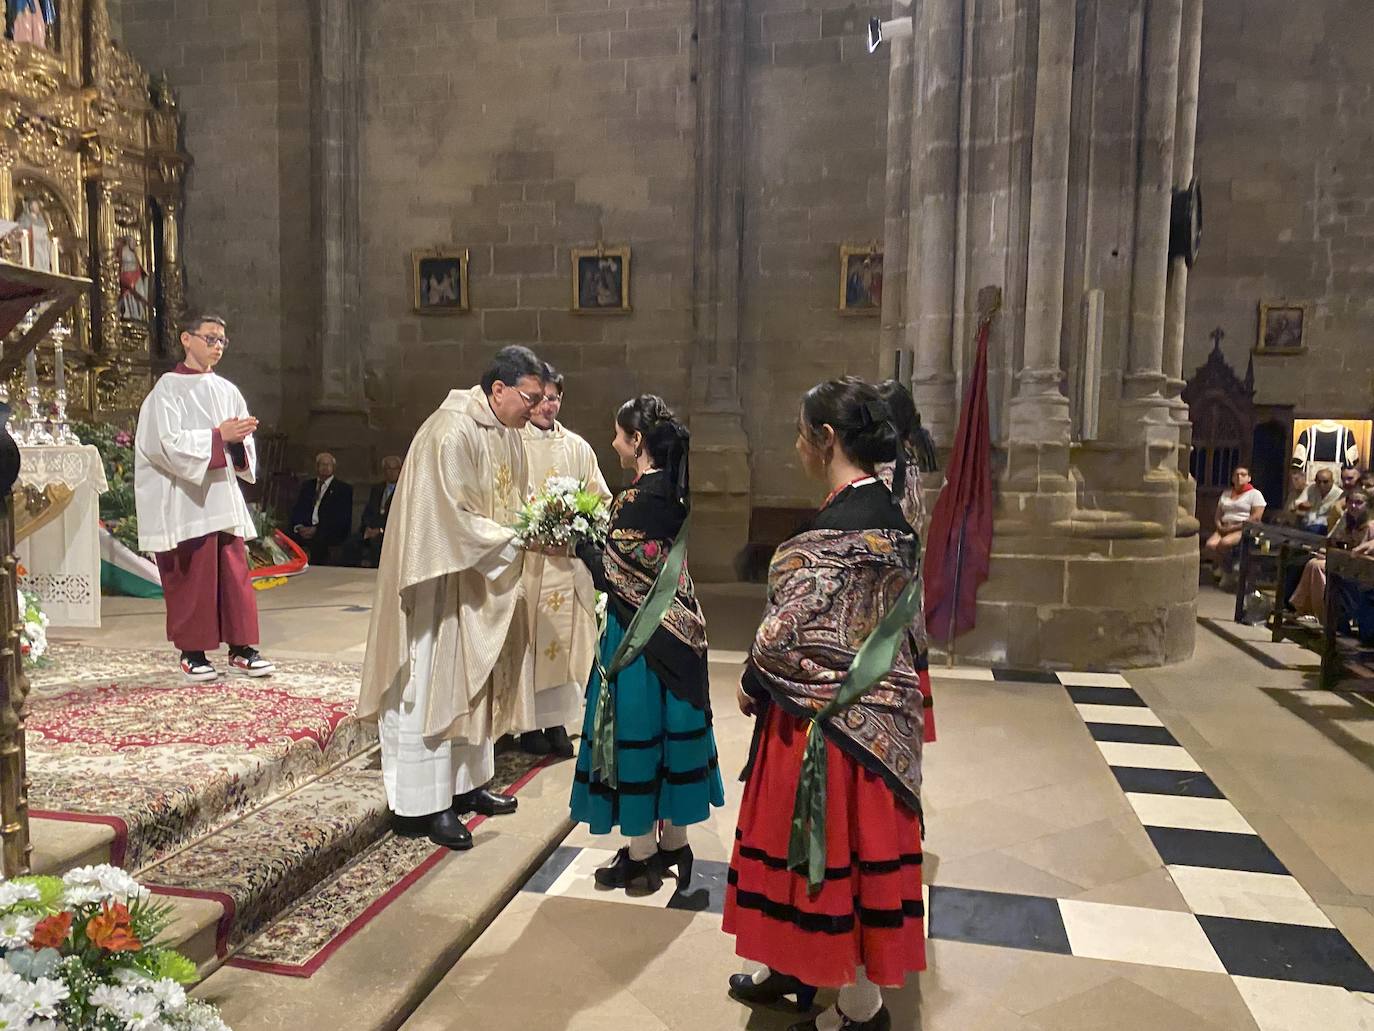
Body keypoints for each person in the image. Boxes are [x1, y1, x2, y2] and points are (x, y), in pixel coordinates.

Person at [724, 378, 926, 1031]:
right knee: (859, 864)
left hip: (820, 732)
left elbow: (785, 636)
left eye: (802, 432)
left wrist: (753, 679)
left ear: (828, 439)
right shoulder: (895, 519)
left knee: (823, 859)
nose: (797, 444)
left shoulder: (822, 535)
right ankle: (802, 970)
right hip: (882, 724)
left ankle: (858, 1009)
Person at [357, 346, 546, 850]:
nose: (533, 408)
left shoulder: (507, 433)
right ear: (498, 389)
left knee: (471, 683)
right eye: (528, 398)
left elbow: (513, 501)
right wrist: (514, 538)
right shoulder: (451, 430)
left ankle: (466, 786)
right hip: (438, 583)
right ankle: (426, 804)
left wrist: (531, 523)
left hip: (476, 579)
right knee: (433, 686)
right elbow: (449, 520)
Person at [570, 395, 723, 891]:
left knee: (634, 733)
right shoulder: (674, 493)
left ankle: (640, 856)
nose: (614, 441)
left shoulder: (634, 499)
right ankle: (675, 843)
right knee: (670, 734)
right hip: (681, 633)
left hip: (637, 637)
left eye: (619, 434)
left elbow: (613, 576)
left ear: (637, 441)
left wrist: (579, 544)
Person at [133, 314, 274, 681]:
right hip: (187, 500)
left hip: (222, 496)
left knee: (234, 575)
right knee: (193, 577)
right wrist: (218, 436)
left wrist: (239, 440)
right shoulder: (167, 390)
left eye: (222, 341)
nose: (217, 346)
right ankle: (192, 652)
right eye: (210, 338)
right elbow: (164, 445)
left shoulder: (228, 390)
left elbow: (243, 452)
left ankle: (242, 648)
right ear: (186, 339)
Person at [518, 364, 611, 758]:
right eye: (539, 398)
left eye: (553, 398)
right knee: (529, 644)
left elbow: (601, 500)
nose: (546, 405)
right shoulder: (512, 442)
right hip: (529, 564)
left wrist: (580, 524)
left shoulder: (577, 447)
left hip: (568, 564)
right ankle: (526, 726)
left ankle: (556, 722)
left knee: (568, 645)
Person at [1290, 489, 1374, 620]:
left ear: (1367, 506)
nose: (1353, 506)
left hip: (1361, 571)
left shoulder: (1370, 526)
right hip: (1344, 563)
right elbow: (1334, 540)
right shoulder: (1348, 522)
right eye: (1350, 502)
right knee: (1312, 563)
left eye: (1358, 503)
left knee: (1318, 566)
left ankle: (1325, 615)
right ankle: (1308, 610)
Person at [289, 452, 354, 566]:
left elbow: (341, 517)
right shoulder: (307, 486)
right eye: (322, 464)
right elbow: (298, 509)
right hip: (305, 528)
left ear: (333, 467)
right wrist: (299, 527)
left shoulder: (343, 489)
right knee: (286, 538)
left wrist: (316, 529)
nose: (325, 468)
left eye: (328, 465)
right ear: (317, 467)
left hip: (327, 530)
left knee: (319, 542)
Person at [1205, 467, 1265, 579]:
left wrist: (1234, 527)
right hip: (1224, 526)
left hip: (1242, 527)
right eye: (1236, 474)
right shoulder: (1226, 493)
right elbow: (1218, 513)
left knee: (1224, 543)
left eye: (1243, 474)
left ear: (1249, 478)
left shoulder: (1255, 494)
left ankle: (1227, 571)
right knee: (1210, 545)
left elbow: (1256, 517)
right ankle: (1222, 568)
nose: (1239, 477)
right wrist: (1219, 525)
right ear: (1232, 478)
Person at [346, 455, 403, 568]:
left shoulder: (404, 490)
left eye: (394, 469)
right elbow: (368, 511)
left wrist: (381, 530)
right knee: (351, 543)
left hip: (389, 531)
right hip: (372, 528)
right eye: (388, 469)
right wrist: (367, 527)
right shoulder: (377, 488)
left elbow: (400, 517)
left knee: (377, 543)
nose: (391, 472)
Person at [1292, 467, 1342, 535]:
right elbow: (1296, 504)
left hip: (1325, 527)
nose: (1321, 485)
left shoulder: (1339, 494)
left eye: (1325, 482)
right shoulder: (1311, 488)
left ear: (1332, 481)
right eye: (1318, 482)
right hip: (1307, 523)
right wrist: (1302, 505)